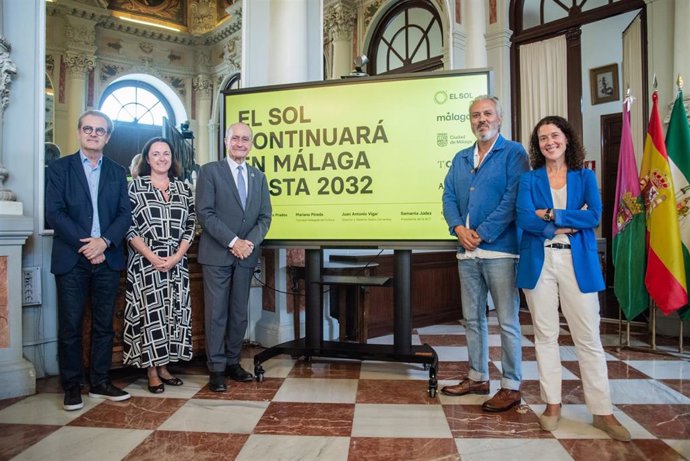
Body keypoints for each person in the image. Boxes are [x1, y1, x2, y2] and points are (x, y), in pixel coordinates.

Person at [516, 116, 631, 441]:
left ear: (567, 139)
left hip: (576, 261)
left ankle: (602, 411)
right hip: (539, 261)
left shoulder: (585, 177)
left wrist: (551, 214)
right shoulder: (529, 179)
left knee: (588, 338)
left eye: (554, 135)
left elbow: (593, 216)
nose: (549, 142)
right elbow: (524, 217)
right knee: (545, 335)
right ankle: (552, 405)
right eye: (542, 138)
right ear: (537, 146)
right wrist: (561, 223)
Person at [441, 95, 530, 412]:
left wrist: (483, 233)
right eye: (476, 115)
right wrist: (457, 229)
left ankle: (511, 386)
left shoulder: (514, 153)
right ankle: (477, 377)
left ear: (499, 118)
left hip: (501, 252)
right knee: (472, 319)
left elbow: (513, 197)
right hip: (466, 253)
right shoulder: (461, 157)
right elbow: (449, 197)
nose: (482, 119)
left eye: (488, 113)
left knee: (507, 321)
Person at [46, 110, 132, 411]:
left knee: (104, 325)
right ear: (79, 132)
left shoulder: (118, 171)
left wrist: (104, 242)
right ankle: (72, 386)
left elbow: (125, 215)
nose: (93, 134)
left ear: (107, 137)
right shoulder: (59, 169)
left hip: (107, 257)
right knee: (70, 325)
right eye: (88, 128)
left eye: (100, 130)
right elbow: (54, 213)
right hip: (73, 257)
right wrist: (88, 245)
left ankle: (99, 381)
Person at [196, 122, 272, 392]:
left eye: (245, 139)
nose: (240, 143)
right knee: (216, 313)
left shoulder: (258, 177)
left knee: (239, 313)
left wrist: (248, 243)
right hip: (217, 253)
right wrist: (233, 241)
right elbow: (205, 213)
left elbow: (265, 217)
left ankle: (232, 362)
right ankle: (216, 369)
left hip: (246, 256)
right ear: (226, 141)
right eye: (235, 138)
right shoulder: (209, 172)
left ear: (251, 145)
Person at [122, 137, 196, 393]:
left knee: (171, 315)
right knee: (150, 316)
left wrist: (177, 256)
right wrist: (151, 256)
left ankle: (165, 367)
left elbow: (190, 225)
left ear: (171, 158)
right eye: (156, 154)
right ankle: (151, 371)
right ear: (147, 158)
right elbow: (128, 227)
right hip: (145, 262)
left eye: (166, 153)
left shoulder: (184, 189)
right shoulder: (134, 188)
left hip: (176, 262)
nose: (162, 158)